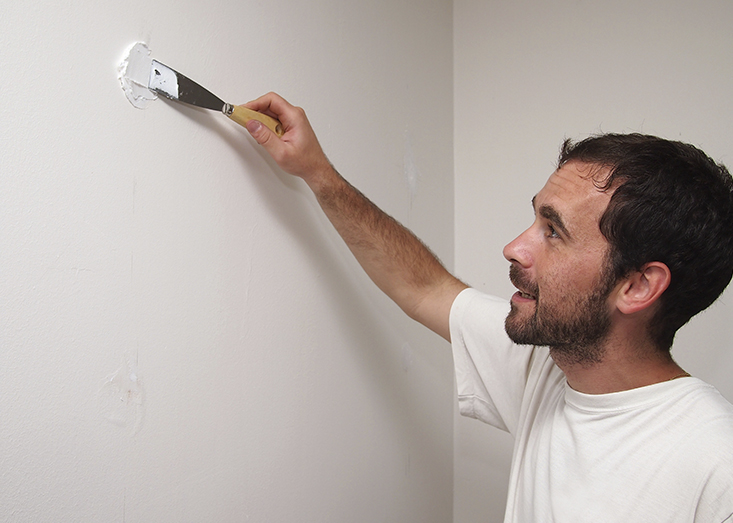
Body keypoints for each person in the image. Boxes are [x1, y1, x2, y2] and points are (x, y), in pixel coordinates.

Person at [242, 93, 733, 522]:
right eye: (534, 218)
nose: (515, 248)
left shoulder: (716, 465)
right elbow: (424, 288)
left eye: (553, 231)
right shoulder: (547, 371)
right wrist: (317, 171)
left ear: (638, 285)